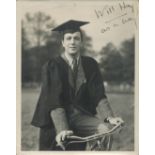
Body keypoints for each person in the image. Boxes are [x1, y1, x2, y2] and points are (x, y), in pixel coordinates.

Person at [31, 20, 124, 150]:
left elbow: (98, 95)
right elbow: (54, 101)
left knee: (106, 132)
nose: (72, 42)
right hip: (55, 120)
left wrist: (110, 118)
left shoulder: (90, 64)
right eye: (68, 38)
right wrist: (63, 129)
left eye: (76, 38)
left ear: (81, 42)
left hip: (81, 116)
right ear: (63, 43)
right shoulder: (52, 66)